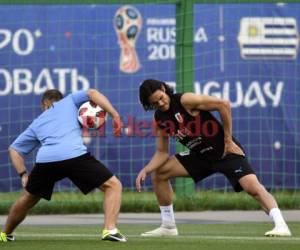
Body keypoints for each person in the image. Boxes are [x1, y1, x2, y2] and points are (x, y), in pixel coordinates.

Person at [136, 79, 291, 237]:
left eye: (161, 98)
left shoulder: (185, 100)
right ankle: (168, 226)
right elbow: (162, 152)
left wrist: (228, 141)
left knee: (252, 188)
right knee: (159, 173)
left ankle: (281, 225)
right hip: (200, 156)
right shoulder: (160, 117)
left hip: (225, 151)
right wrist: (146, 169)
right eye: (155, 103)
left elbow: (223, 104)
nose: (161, 103)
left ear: (164, 88)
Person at [0, 89, 126, 242]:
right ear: (60, 99)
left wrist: (23, 175)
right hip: (73, 155)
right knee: (113, 186)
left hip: (46, 161)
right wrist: (114, 114)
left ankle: (4, 234)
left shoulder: (36, 123)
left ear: (43, 104)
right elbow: (92, 92)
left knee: (27, 198)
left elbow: (14, 149)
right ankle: (110, 229)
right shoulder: (70, 101)